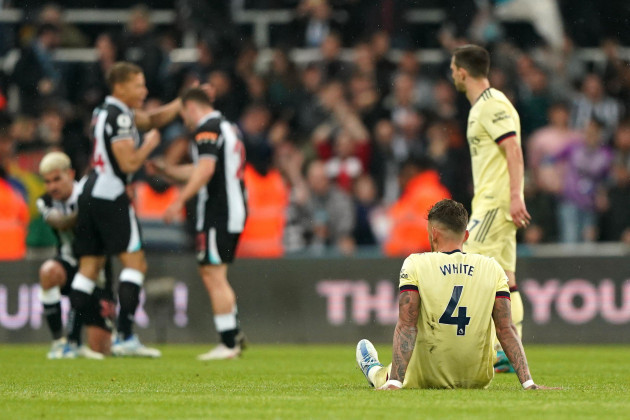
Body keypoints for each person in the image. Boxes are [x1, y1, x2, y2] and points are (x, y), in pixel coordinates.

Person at [356, 199, 556, 390]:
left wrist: (396, 383)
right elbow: (506, 328)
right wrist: (529, 383)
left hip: (426, 375)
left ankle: (375, 371)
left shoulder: (416, 264)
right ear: (466, 236)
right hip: (477, 378)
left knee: (384, 374)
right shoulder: (492, 267)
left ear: (433, 234)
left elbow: (407, 325)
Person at [70, 62, 190, 358]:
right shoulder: (121, 118)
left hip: (90, 189)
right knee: (135, 264)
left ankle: (69, 342)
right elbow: (129, 164)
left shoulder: (104, 112)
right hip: (111, 194)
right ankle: (124, 335)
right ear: (120, 87)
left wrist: (181, 102)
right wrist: (150, 145)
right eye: (139, 85)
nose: (144, 90)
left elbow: (150, 118)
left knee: (89, 269)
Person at [449, 45, 530, 372]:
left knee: (464, 265)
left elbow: (512, 148)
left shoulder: (491, 105)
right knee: (506, 280)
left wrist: (514, 196)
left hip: (496, 205)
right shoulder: (484, 106)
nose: (452, 74)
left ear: (463, 72)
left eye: (453, 69)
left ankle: (469, 347)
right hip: (494, 202)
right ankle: (509, 351)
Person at [156, 87, 247, 360]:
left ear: (190, 108)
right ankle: (234, 335)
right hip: (231, 210)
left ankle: (228, 342)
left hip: (218, 211)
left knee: (212, 274)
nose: (184, 119)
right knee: (215, 273)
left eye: (183, 113)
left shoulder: (206, 129)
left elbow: (205, 171)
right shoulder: (227, 127)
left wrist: (178, 200)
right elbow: (203, 168)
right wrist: (167, 171)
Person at [36, 152, 114, 359]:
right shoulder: (45, 201)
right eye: (47, 181)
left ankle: (97, 340)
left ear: (70, 174)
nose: (52, 187)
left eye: (57, 179)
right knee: (48, 272)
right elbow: (60, 222)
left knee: (102, 350)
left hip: (97, 273)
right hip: (69, 264)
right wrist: (89, 208)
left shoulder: (85, 193)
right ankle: (61, 343)